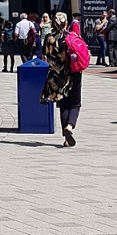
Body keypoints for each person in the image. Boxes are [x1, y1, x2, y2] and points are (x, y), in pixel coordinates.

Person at [40, 13, 83, 147]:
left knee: (63, 105)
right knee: (75, 104)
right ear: (66, 23)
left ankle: (66, 138)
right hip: (73, 74)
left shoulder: (49, 38)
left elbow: (44, 57)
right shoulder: (71, 37)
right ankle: (70, 127)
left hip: (57, 75)